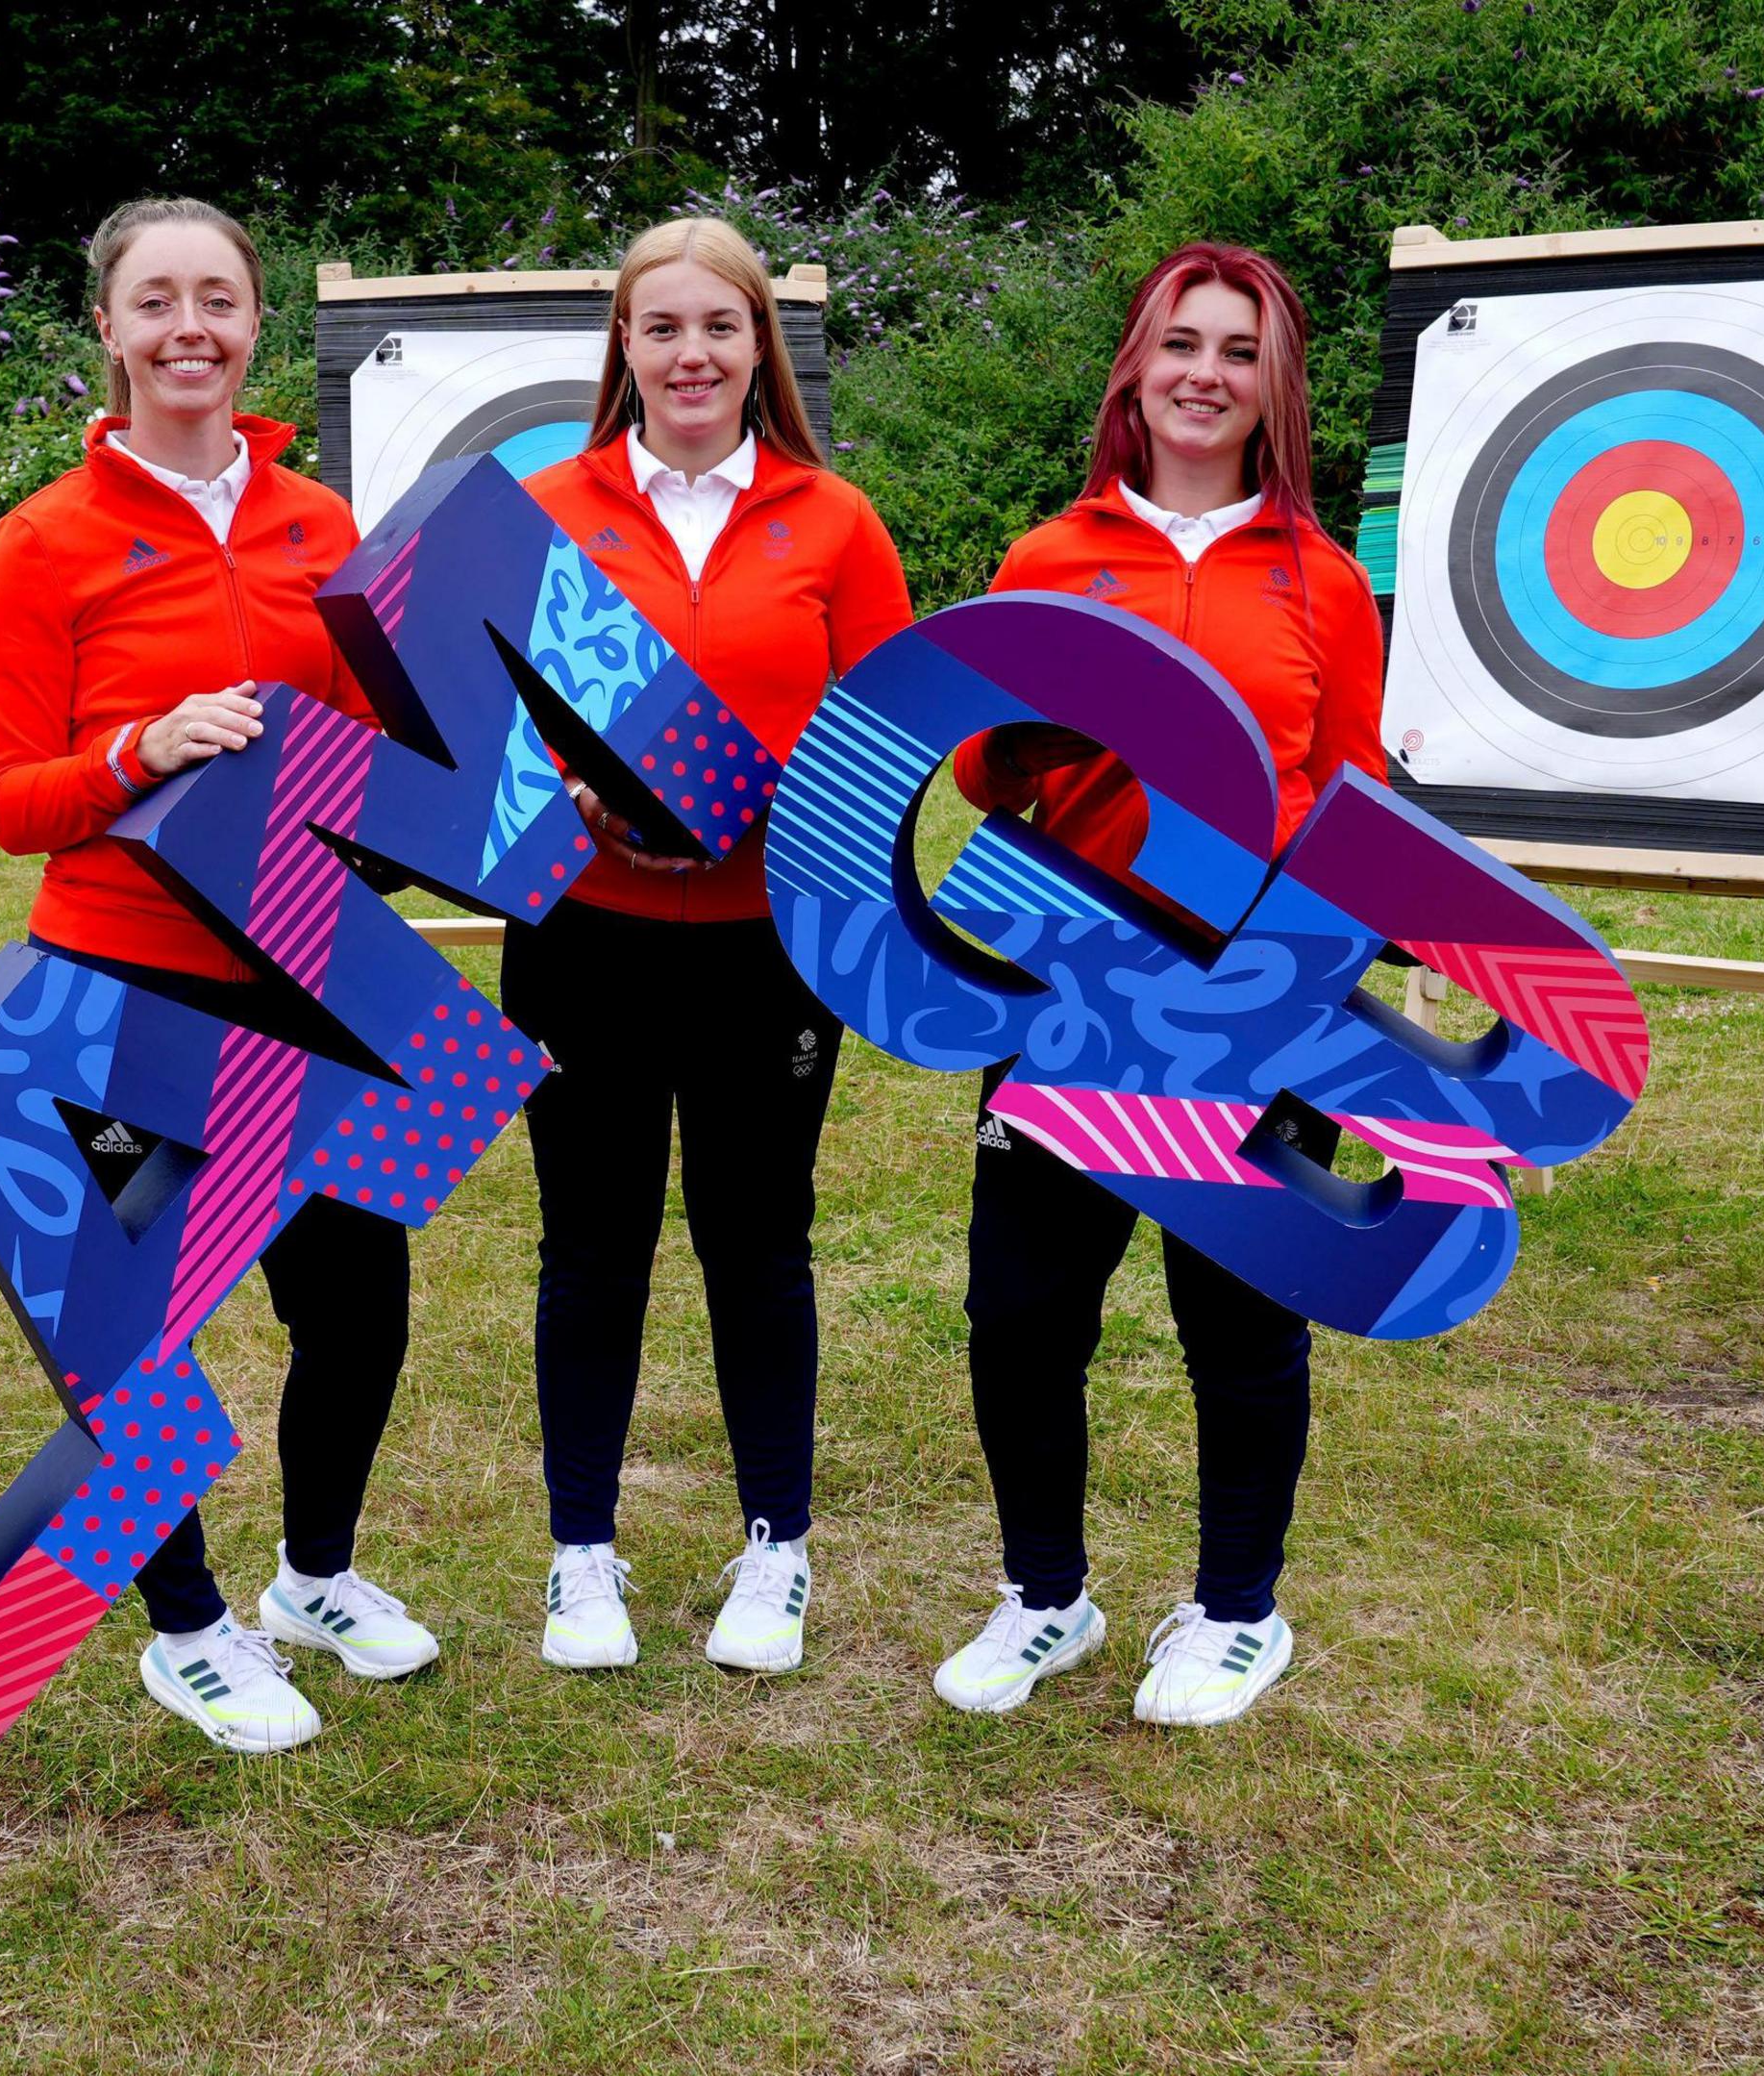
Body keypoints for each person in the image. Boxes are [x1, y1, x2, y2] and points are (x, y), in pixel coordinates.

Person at [0, 197, 435, 1755]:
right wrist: (136, 751)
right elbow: (12, 799)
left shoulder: (325, 526)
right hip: (117, 992)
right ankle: (184, 1631)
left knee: (360, 1308)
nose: (190, 329)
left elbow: (390, 745)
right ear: (105, 327)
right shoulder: (44, 542)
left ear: (255, 326)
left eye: (219, 299)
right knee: (133, 1330)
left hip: (311, 970)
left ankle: (314, 1580)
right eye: (155, 300)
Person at [928, 241, 1385, 1727]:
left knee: (1242, 1317)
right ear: (1135, 362)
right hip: (1070, 993)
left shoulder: (1320, 579)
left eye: (1238, 351)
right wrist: (1033, 736)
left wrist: (1300, 982)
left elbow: (1360, 799)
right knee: (1022, 1312)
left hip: (1254, 1002)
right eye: (1180, 341)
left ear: (1275, 389)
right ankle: (1046, 1598)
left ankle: (1238, 1612)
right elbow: (988, 772)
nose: (1204, 371)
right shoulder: (1050, 556)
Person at [506, 217, 913, 1675]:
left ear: (763, 349)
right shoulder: (544, 509)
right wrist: (564, 808)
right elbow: (477, 743)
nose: (691, 354)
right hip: (583, 944)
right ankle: (581, 1558)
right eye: (661, 327)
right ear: (622, 346)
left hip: (768, 950)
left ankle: (776, 1553)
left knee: (758, 1246)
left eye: (719, 328)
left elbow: (890, 753)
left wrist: (763, 811)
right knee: (592, 1250)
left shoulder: (835, 522)